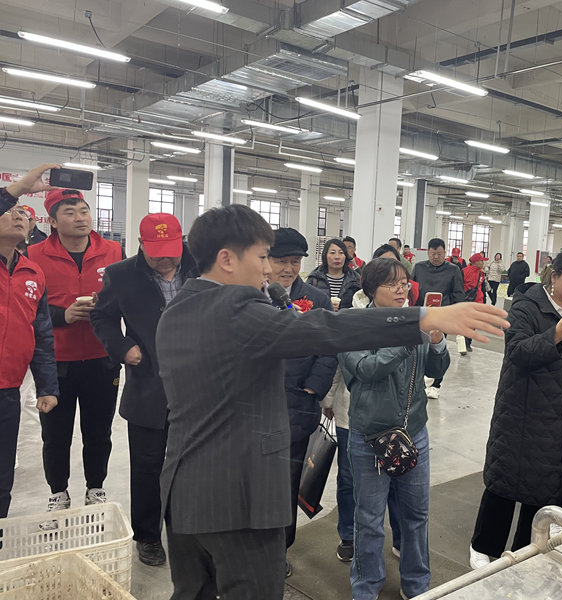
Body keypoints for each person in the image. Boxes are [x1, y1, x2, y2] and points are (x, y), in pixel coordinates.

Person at [154, 204, 508, 600]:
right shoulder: (235, 310)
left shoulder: (177, 309)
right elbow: (325, 327)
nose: (269, 269)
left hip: (184, 493)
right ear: (227, 259)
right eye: (262, 257)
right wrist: (422, 318)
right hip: (240, 499)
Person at [469, 250, 562, 569]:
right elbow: (518, 351)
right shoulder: (526, 306)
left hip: (560, 413)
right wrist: (556, 335)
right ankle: (483, 546)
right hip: (522, 410)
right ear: (554, 275)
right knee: (506, 481)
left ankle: (527, 549)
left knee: (542, 484)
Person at [339, 258, 450, 600]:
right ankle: (366, 587)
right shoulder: (352, 324)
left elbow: (436, 369)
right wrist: (407, 339)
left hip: (413, 431)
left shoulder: (415, 319)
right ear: (371, 289)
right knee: (369, 519)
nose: (402, 290)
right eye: (392, 284)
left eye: (404, 283)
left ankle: (417, 585)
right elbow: (367, 369)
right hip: (370, 439)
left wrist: (437, 341)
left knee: (416, 514)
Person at [90, 213, 197, 566]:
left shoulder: (201, 267)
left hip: (199, 388)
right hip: (149, 386)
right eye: (156, 253)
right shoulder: (121, 275)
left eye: (171, 252)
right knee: (148, 466)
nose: (165, 260)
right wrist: (122, 347)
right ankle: (148, 536)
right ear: (140, 244)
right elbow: (101, 316)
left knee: (194, 465)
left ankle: (188, 530)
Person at [28, 188, 123, 513]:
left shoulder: (113, 251)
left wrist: (106, 306)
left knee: (99, 432)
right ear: (53, 221)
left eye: (84, 210)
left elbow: (126, 299)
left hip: (102, 358)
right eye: (69, 212)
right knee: (55, 435)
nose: (80, 217)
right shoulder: (34, 255)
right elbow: (29, 307)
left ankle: (95, 488)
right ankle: (58, 493)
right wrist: (63, 316)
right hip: (56, 362)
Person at [266, 227, 337, 573]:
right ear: (266, 260)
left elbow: (328, 347)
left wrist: (312, 388)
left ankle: (280, 549)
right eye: (281, 261)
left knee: (287, 482)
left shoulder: (316, 299)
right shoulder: (249, 295)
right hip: (253, 407)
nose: (288, 269)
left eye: (294, 262)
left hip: (296, 405)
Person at [0, 166, 59, 519]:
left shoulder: (32, 271)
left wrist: (47, 386)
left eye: (22, 212)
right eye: (9, 211)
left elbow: (42, 334)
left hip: (8, 389)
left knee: (2, 472)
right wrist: (17, 189)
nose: (19, 215)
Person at [411, 238, 466, 399]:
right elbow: (412, 291)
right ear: (428, 253)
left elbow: (458, 293)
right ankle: (419, 382)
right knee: (419, 349)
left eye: (440, 254)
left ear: (445, 253)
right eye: (433, 253)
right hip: (421, 315)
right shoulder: (419, 268)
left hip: (443, 316)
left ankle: (436, 384)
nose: (436, 257)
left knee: (438, 350)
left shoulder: (453, 270)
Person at [306, 238, 361, 310]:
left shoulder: (355, 279)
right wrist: (326, 307)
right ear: (325, 255)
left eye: (341, 253)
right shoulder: (314, 278)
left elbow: (361, 306)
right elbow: (305, 304)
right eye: (332, 253)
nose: (337, 257)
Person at [461, 253, 488, 353]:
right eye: (481, 261)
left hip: (478, 302)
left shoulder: (481, 273)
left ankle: (468, 341)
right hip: (467, 301)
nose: (483, 263)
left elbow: (483, 288)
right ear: (475, 262)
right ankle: (465, 341)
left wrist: (484, 301)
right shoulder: (464, 271)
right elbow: (459, 286)